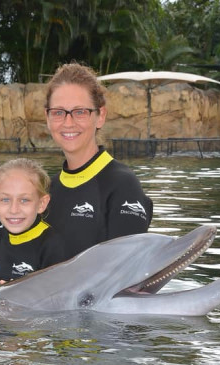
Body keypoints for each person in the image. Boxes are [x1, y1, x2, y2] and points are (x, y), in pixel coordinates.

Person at [44, 63, 153, 259]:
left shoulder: (123, 185)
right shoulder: (46, 190)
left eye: (80, 112)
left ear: (100, 116)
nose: (68, 122)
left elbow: (125, 274)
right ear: (48, 117)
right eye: (59, 112)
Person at [0, 158, 66, 282]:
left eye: (24, 200)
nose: (14, 210)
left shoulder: (52, 244)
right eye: (5, 200)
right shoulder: (1, 234)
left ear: (42, 204)